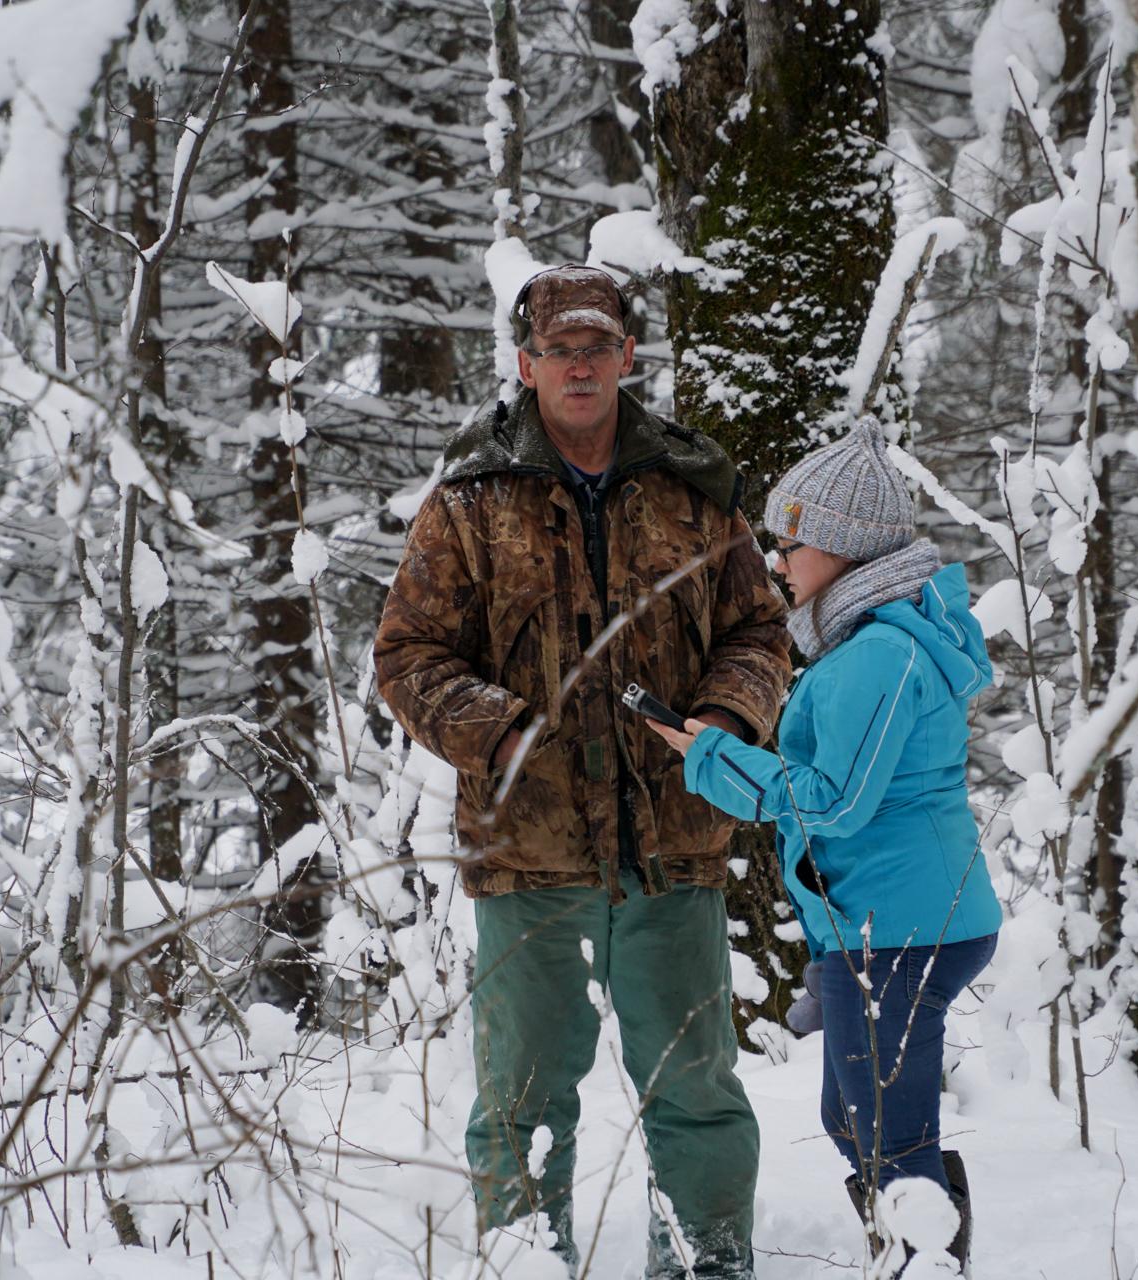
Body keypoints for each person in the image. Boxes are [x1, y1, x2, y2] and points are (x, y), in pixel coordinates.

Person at [374, 264, 790, 1276]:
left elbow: (760, 629)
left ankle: (706, 1257)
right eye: (560, 348)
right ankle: (524, 1260)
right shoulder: (470, 500)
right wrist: (502, 730)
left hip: (671, 843)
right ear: (526, 362)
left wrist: (725, 714)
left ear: (627, 357)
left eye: (597, 345)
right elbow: (407, 656)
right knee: (521, 1097)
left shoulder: (696, 491)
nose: (581, 364)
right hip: (529, 855)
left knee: (693, 1086)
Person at [649, 419, 1001, 1275]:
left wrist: (710, 756)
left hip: (903, 929)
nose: (776, 561)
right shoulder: (870, 642)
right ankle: (919, 1241)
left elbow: (834, 803)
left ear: (842, 547)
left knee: (888, 1132)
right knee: (858, 1122)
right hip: (880, 922)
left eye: (790, 541)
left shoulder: (880, 654)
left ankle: (925, 1259)